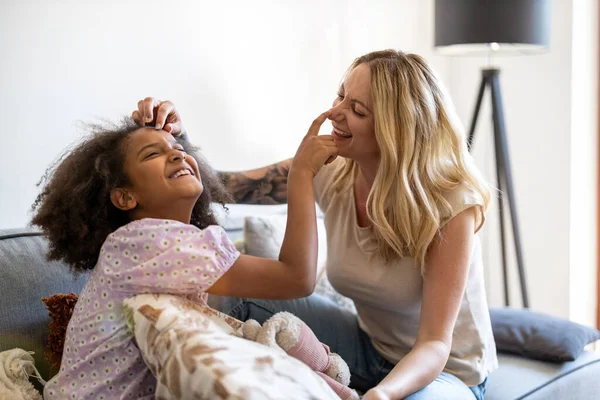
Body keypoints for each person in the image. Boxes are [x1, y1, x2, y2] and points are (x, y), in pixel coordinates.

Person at [135, 49, 498, 400]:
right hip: (370, 347)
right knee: (239, 293)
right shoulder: (331, 169)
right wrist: (175, 141)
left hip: (445, 373)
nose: (334, 114)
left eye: (356, 109)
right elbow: (225, 186)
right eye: (340, 96)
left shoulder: (450, 204)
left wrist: (384, 394)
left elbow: (435, 344)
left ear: (396, 129)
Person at [32, 114, 336, 399]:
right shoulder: (147, 242)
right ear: (125, 196)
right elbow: (296, 279)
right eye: (152, 154)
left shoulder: (156, 245)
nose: (178, 154)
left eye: (178, 148)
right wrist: (302, 174)